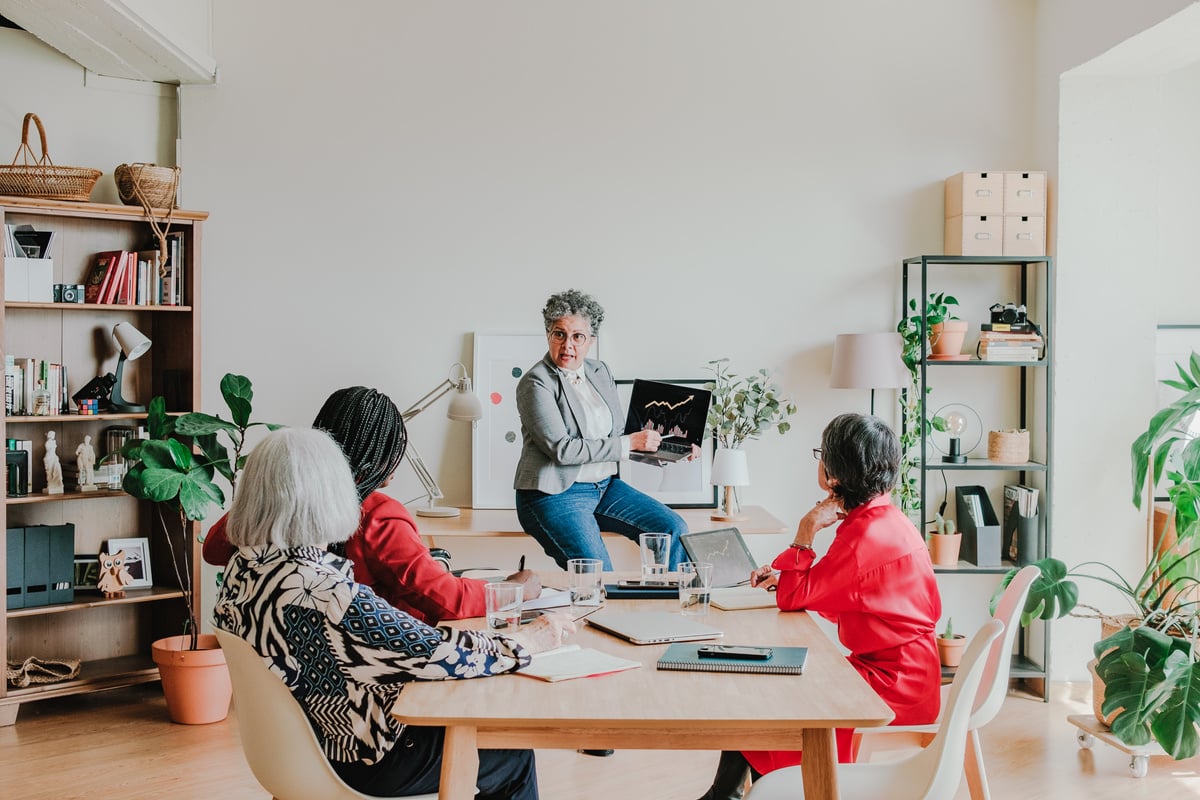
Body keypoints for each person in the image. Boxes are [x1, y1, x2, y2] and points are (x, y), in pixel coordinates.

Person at [213, 427, 573, 799]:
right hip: (365, 759)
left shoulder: (243, 570)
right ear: (332, 497)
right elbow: (437, 651)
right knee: (511, 755)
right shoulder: (326, 593)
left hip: (291, 753)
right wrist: (528, 639)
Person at [695, 413, 942, 800]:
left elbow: (796, 597)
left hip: (890, 685)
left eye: (821, 455)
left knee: (773, 695)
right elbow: (841, 595)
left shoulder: (863, 537)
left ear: (835, 475)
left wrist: (807, 527)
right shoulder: (885, 518)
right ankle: (729, 793)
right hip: (909, 673)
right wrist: (795, 582)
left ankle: (746, 792)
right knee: (772, 686)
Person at [203, 386, 541, 624]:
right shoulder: (378, 514)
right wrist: (515, 588)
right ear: (376, 456)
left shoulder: (284, 504)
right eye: (391, 450)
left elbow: (214, 550)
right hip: (387, 669)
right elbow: (448, 601)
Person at [514, 288, 691, 570]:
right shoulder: (536, 383)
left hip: (605, 487)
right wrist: (631, 442)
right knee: (598, 574)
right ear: (548, 334)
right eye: (559, 334)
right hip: (554, 495)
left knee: (673, 529)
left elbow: (621, 435)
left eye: (577, 337)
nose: (567, 345)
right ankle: (602, 614)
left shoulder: (600, 372)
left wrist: (674, 448)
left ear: (591, 341)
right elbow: (563, 449)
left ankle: (669, 606)